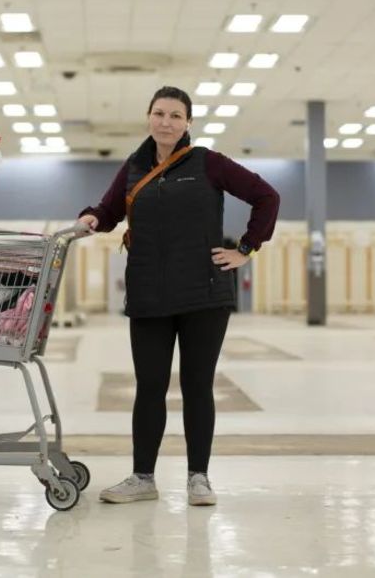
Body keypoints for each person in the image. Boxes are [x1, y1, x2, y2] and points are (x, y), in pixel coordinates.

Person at [77, 85, 280, 506]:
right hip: (148, 293)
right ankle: (142, 477)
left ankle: (198, 477)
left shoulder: (208, 163)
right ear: (148, 117)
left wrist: (246, 248)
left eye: (175, 115)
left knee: (197, 384)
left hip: (203, 294)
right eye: (159, 113)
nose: (166, 122)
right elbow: (110, 210)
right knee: (149, 386)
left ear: (188, 123)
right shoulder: (134, 167)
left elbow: (267, 197)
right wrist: (92, 217)